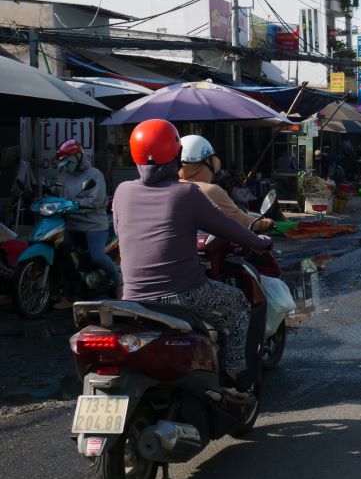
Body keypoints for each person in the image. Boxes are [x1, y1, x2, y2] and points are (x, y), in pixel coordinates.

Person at [113, 119, 272, 392]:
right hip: (181, 293)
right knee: (239, 306)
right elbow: (231, 228)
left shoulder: (122, 191)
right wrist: (259, 241)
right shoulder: (187, 193)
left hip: (132, 297)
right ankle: (235, 381)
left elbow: (120, 231)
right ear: (175, 155)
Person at [55, 139, 121, 305]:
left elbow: (96, 201)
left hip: (93, 225)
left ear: (78, 157)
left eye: (69, 161)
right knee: (61, 254)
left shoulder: (94, 175)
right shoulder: (66, 177)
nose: (67, 165)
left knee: (97, 256)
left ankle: (120, 282)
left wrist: (76, 204)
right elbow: (60, 197)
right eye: (65, 162)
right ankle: (70, 294)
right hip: (71, 224)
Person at [178, 135, 274, 232]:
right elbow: (239, 218)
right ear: (207, 162)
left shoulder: (170, 186)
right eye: (211, 157)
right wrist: (263, 224)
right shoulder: (210, 191)